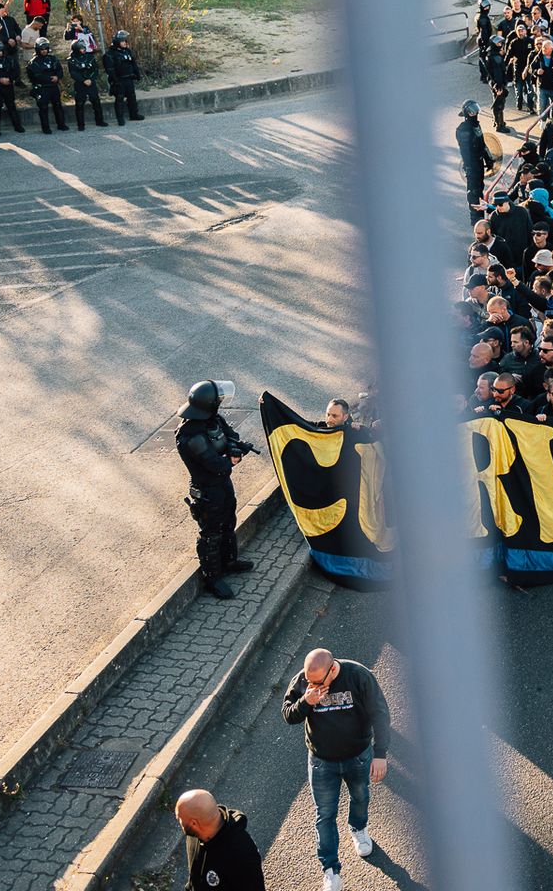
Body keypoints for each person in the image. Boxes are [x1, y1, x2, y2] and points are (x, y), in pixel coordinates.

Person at [282, 648, 393, 891]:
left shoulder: (359, 676)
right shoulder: (304, 680)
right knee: (325, 815)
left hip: (358, 756)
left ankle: (358, 828)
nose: (311, 686)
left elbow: (380, 715)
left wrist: (380, 754)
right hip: (322, 762)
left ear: (332, 670)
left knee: (360, 796)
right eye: (308, 682)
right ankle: (330, 869)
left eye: (317, 683)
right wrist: (306, 702)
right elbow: (289, 714)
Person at [174, 379, 256, 598]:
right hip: (208, 491)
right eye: (218, 400)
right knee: (210, 534)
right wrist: (233, 459)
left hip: (222, 485)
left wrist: (233, 446)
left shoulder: (212, 418)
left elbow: (231, 435)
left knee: (229, 521)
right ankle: (213, 578)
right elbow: (217, 466)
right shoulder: (190, 436)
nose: (220, 403)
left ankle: (229, 561)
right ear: (208, 403)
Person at [175, 789, 265, 891]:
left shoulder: (242, 854)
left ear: (194, 823)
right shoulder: (193, 836)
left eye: (179, 818)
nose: (178, 820)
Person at [27, 36, 67, 134]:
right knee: (43, 108)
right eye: (42, 49)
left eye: (45, 49)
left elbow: (59, 70)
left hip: (53, 87)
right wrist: (49, 78)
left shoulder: (53, 59)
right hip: (42, 88)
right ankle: (45, 128)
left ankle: (61, 124)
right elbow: (35, 76)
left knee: (58, 106)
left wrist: (57, 77)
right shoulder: (34, 62)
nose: (44, 51)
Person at [456, 99, 490, 209]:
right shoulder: (464, 130)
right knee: (474, 192)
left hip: (479, 162)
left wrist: (488, 159)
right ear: (466, 113)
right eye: (471, 111)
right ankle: (475, 218)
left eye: (475, 111)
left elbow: (482, 143)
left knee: (480, 188)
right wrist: (470, 168)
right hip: (472, 165)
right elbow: (466, 152)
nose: (475, 113)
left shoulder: (476, 125)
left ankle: (480, 211)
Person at [68, 36, 107, 129]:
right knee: (80, 104)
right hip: (80, 84)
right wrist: (83, 80)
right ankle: (80, 124)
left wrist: (91, 79)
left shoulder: (90, 57)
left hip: (91, 82)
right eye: (81, 48)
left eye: (84, 47)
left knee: (96, 102)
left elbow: (95, 69)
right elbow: (73, 73)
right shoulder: (71, 60)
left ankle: (100, 120)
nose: (83, 49)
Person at [106, 30, 143, 125]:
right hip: (119, 80)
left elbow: (133, 63)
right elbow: (110, 69)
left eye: (125, 41)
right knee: (119, 99)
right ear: (117, 42)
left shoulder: (127, 51)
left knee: (132, 97)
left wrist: (137, 74)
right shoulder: (110, 54)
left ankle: (134, 114)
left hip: (129, 79)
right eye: (122, 41)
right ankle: (120, 118)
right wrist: (115, 80)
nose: (124, 43)